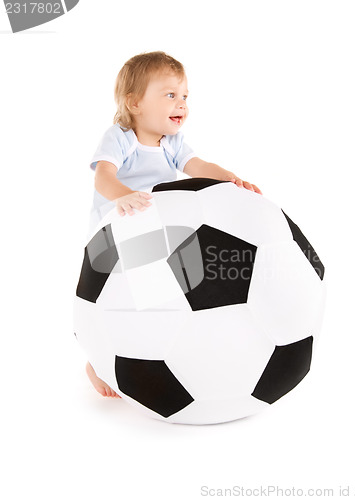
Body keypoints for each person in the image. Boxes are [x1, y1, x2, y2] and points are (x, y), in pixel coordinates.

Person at [86, 51, 263, 398]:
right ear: (135, 102)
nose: (181, 103)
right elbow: (103, 178)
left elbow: (196, 165)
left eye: (184, 96)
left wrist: (230, 178)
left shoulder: (172, 143)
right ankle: (97, 360)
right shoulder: (120, 138)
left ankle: (164, 354)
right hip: (114, 237)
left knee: (156, 300)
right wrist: (123, 195)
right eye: (170, 95)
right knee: (112, 300)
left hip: (155, 233)